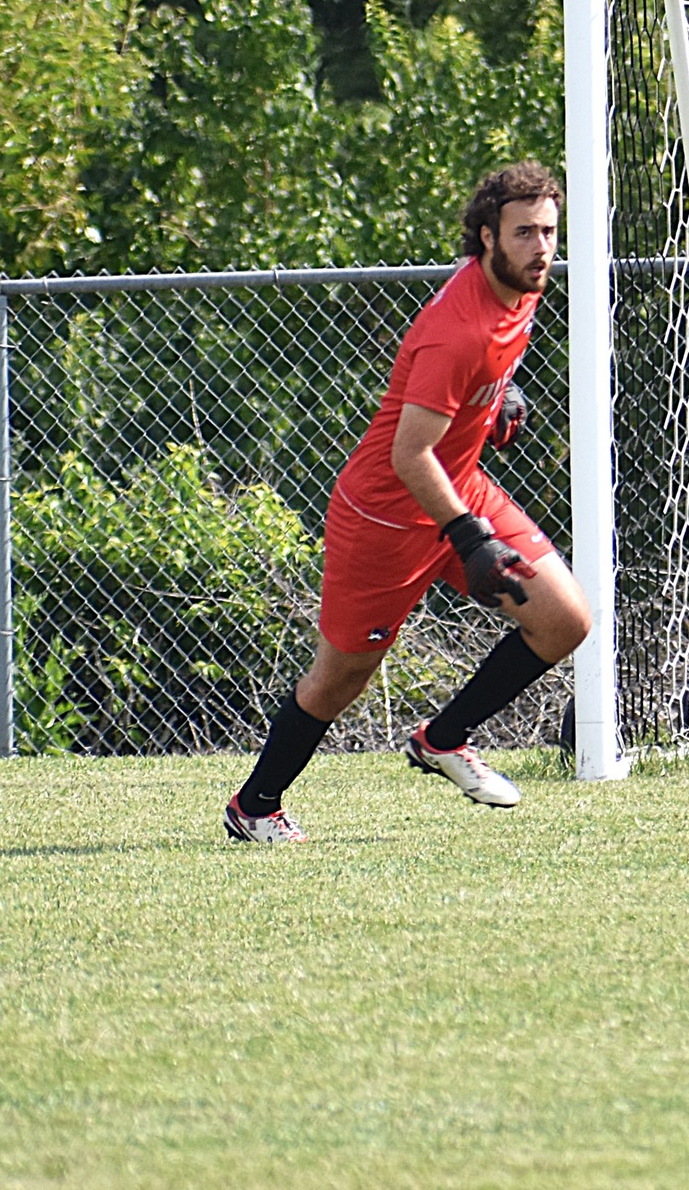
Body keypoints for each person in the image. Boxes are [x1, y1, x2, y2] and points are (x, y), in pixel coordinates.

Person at [224, 162, 593, 843]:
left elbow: (472, 395)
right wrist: (470, 538)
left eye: (548, 231)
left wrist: (497, 404)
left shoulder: (522, 287)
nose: (541, 247)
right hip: (387, 515)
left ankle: (442, 739)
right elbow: (408, 454)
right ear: (486, 237)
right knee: (342, 677)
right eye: (523, 234)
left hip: (460, 487)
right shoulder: (456, 329)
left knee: (564, 621)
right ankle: (255, 806)